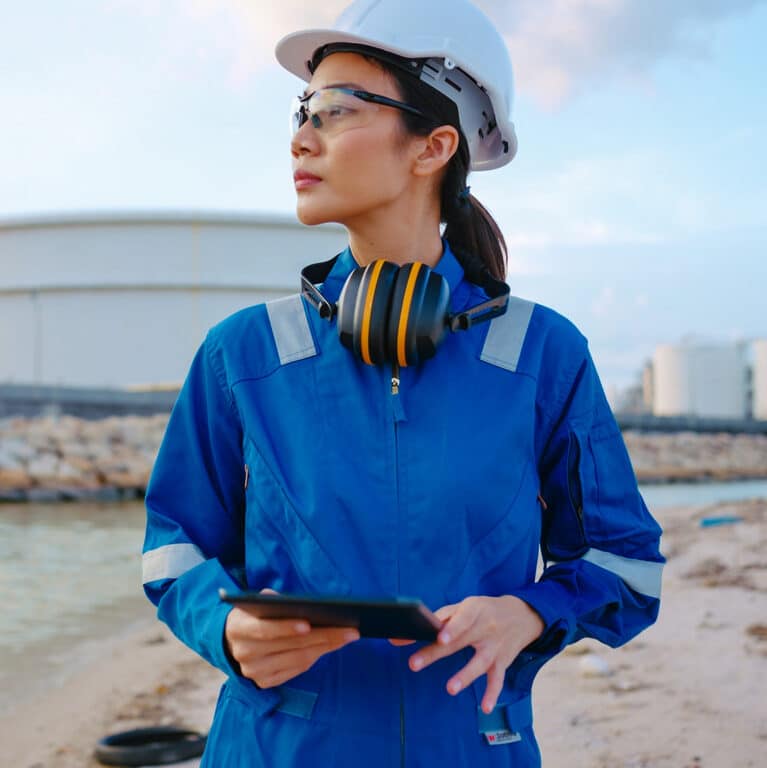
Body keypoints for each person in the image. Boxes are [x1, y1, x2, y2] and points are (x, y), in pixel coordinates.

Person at [142, 0, 664, 765]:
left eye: (336, 109)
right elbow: (172, 547)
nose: (300, 135)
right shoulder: (243, 352)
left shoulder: (540, 353)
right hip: (277, 749)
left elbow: (627, 564)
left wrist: (529, 610)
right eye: (301, 111)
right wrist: (219, 626)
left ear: (433, 146)